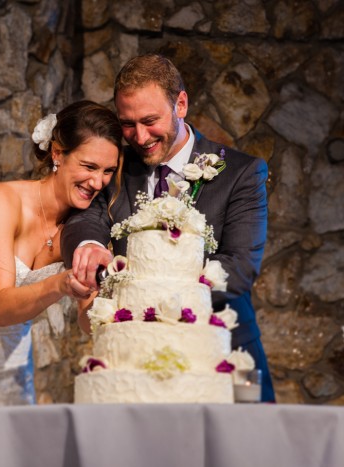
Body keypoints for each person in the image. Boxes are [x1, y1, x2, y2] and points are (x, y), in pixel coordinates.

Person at [61, 53, 276, 402]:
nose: (139, 136)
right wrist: (88, 245)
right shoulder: (115, 165)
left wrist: (150, 298)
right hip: (133, 364)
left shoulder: (242, 173)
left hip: (225, 355)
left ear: (181, 104)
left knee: (247, 453)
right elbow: (86, 218)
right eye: (127, 123)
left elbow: (239, 267)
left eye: (150, 120)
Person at [0, 100, 122, 409]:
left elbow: (88, 318)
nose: (97, 182)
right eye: (89, 166)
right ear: (58, 153)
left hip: (12, 378)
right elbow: (1, 307)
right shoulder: (1, 201)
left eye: (108, 171)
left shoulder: (82, 230)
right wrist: (59, 284)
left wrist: (117, 306)